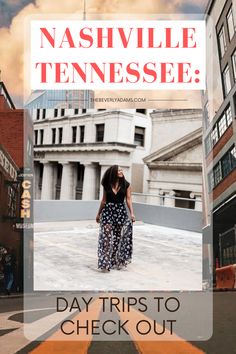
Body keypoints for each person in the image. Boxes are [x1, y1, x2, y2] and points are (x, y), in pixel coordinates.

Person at [96, 165, 135, 272]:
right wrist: (98, 214)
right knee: (107, 237)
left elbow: (128, 200)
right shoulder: (107, 185)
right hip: (108, 212)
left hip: (120, 213)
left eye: (121, 170)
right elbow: (104, 201)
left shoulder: (126, 185)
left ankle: (114, 260)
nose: (121, 171)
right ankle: (105, 263)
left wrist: (132, 213)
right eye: (119, 170)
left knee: (118, 238)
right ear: (114, 172)